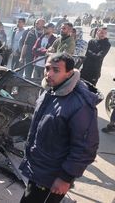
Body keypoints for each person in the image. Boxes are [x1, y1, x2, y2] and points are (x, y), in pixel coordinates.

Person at [19, 53, 100, 203]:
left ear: (69, 73)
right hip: (39, 170)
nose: (49, 73)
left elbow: (86, 148)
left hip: (53, 178)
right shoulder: (51, 91)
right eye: (47, 68)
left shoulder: (80, 105)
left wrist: (65, 178)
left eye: (56, 70)